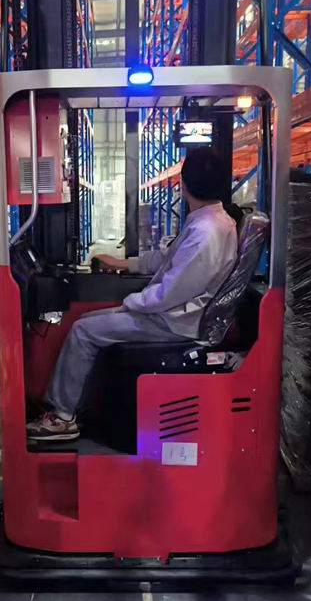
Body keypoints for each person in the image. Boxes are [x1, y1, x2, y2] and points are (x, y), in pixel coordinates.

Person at [27, 145, 238, 441]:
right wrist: (123, 263)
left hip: (175, 322)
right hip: (176, 315)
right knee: (87, 322)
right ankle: (76, 406)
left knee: (83, 331)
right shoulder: (210, 222)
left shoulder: (206, 232)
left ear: (184, 184)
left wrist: (129, 303)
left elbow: (168, 295)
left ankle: (62, 417)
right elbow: (166, 259)